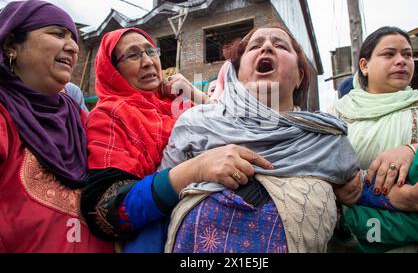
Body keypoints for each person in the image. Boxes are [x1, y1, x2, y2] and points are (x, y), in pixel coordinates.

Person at [159, 26, 362, 253]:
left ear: (299, 75)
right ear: (236, 73)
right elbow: (158, 197)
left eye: (280, 45)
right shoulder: (195, 124)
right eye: (255, 46)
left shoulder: (328, 139)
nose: (266, 47)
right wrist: (196, 169)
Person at [80, 27, 273, 252]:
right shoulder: (110, 115)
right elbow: (105, 209)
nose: (148, 62)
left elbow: (232, 126)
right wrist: (195, 170)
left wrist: (195, 94)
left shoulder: (175, 103)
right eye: (133, 55)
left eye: (152, 52)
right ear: (113, 70)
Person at [0, 0, 113, 252]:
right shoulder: (3, 117)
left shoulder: (81, 119)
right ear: (11, 46)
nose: (73, 47)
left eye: (73, 38)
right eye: (57, 33)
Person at [329, 26, 418, 252]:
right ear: (364, 65)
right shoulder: (335, 114)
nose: (401, 60)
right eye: (389, 54)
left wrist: (414, 148)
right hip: (352, 236)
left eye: (407, 54)